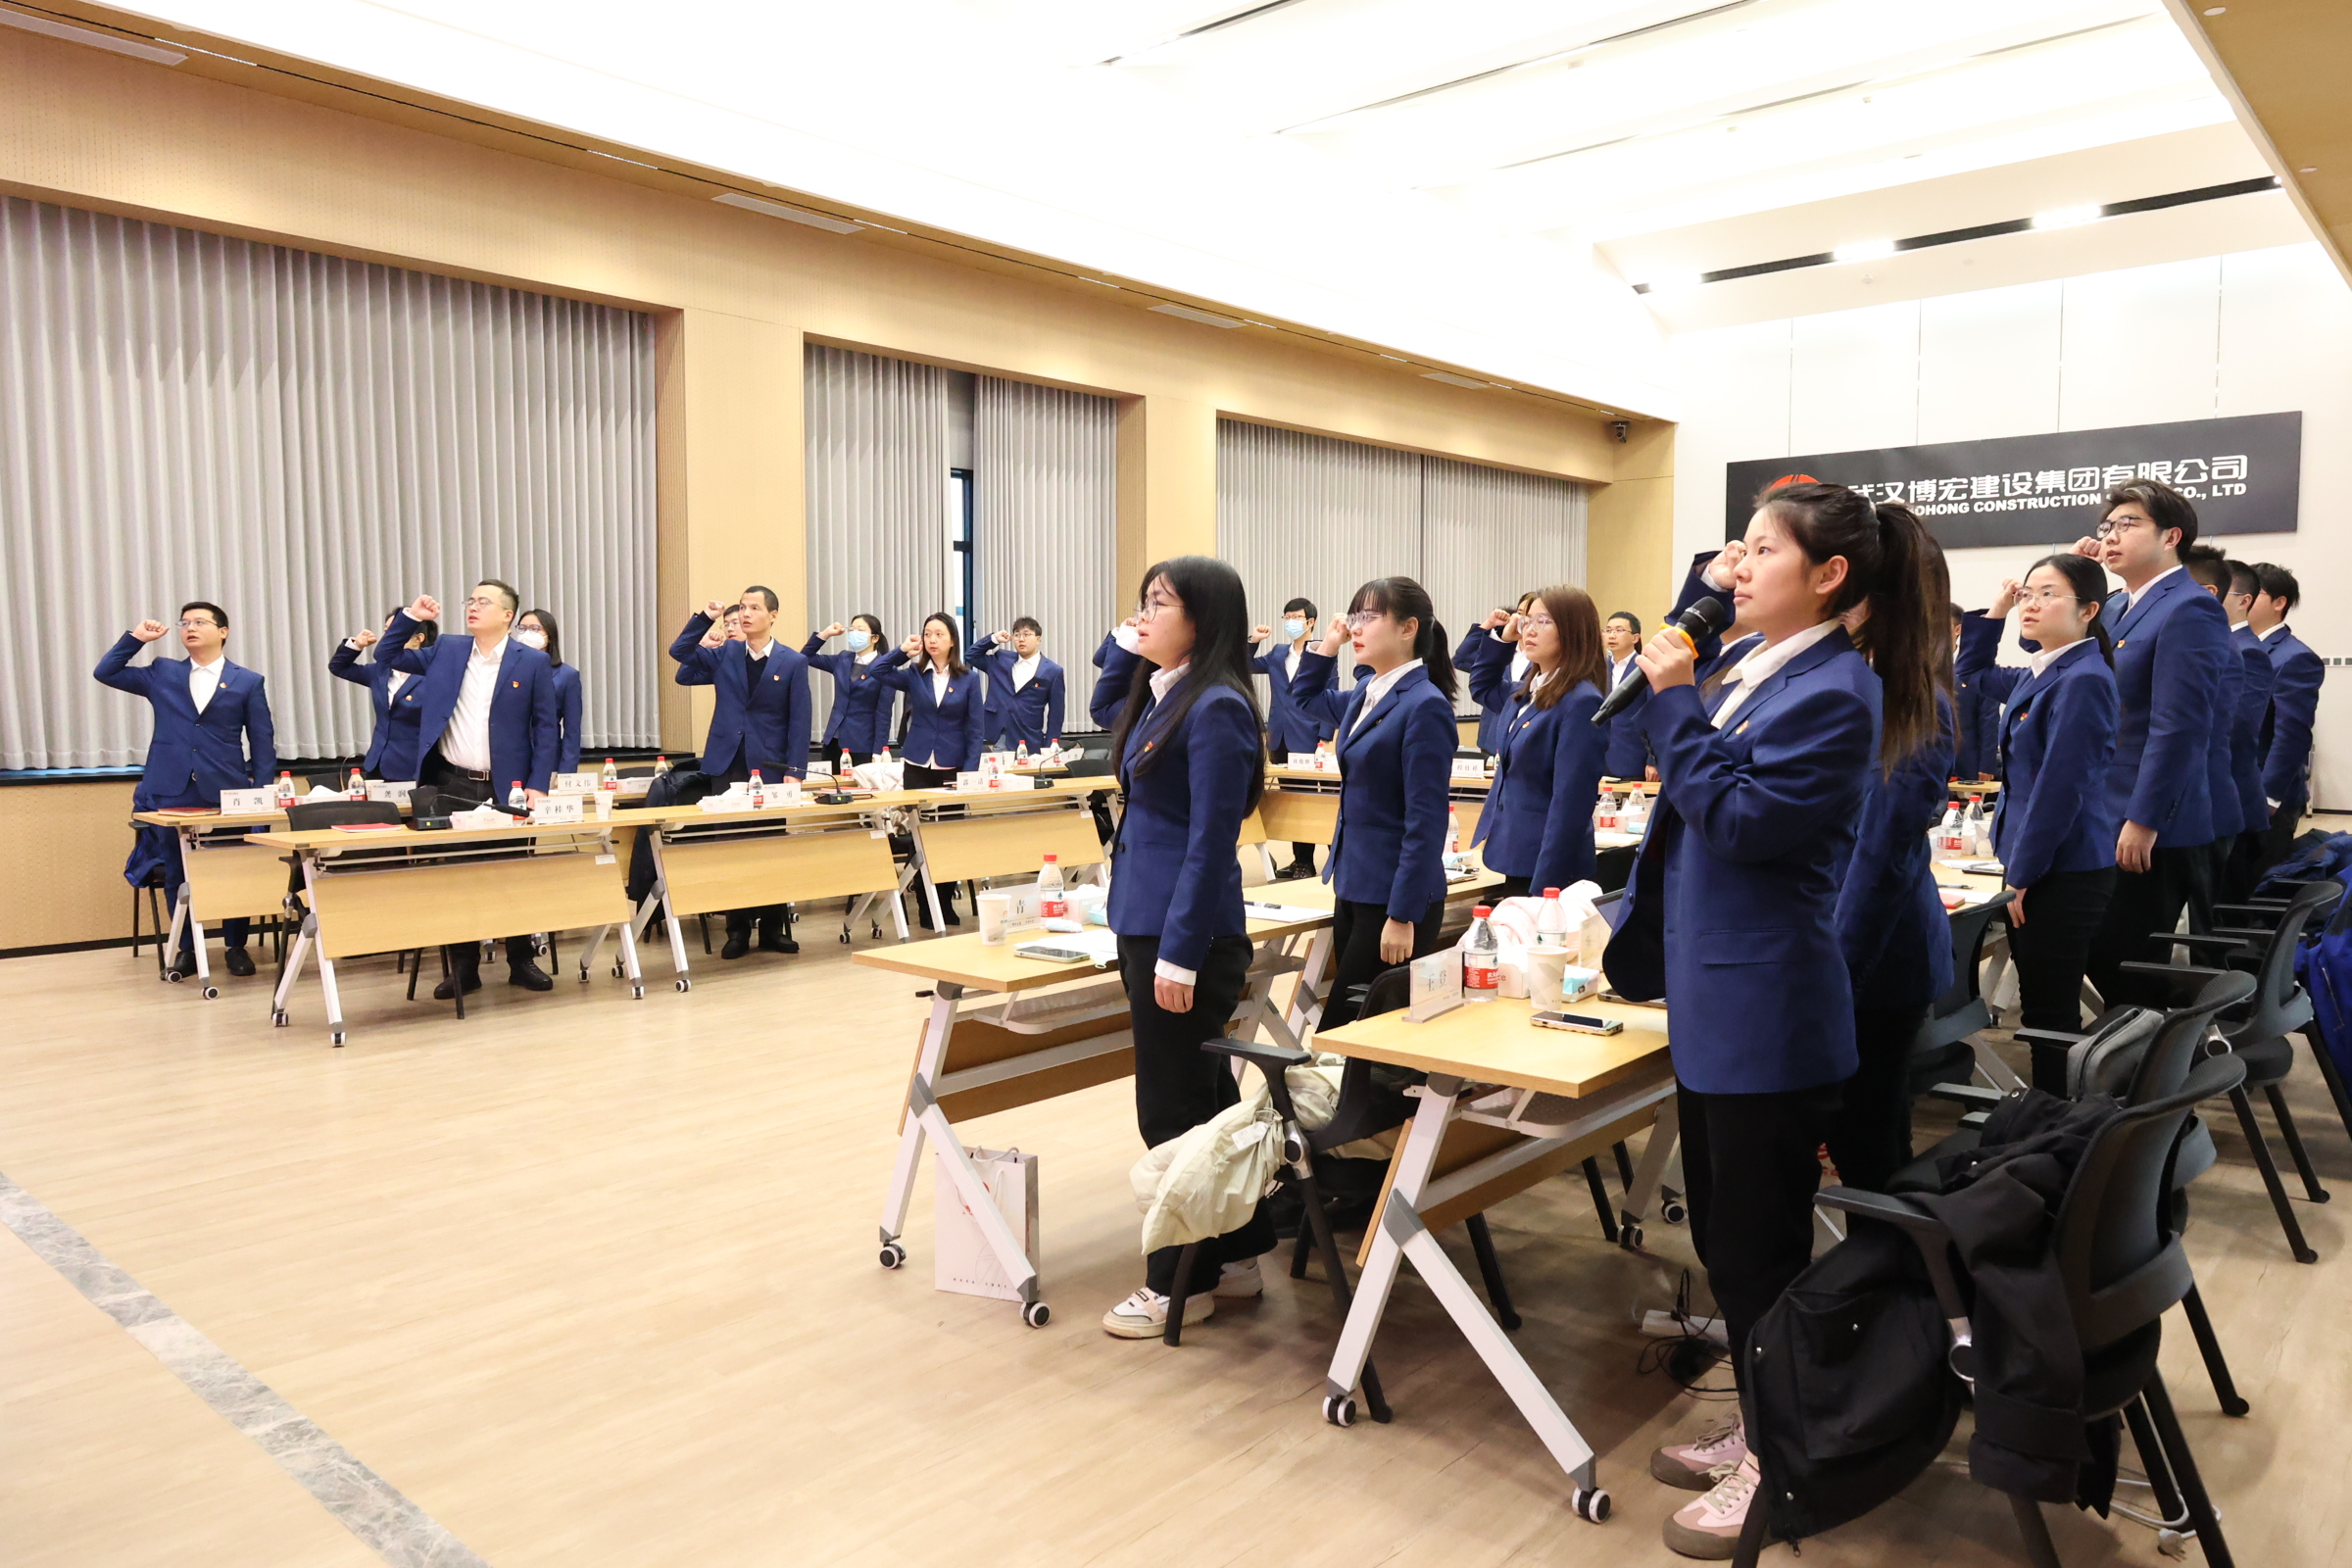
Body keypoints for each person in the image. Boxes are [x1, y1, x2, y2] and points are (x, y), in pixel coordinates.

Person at [1606, 481, 1939, 1556]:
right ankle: (1763, 1420)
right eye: (1737, 548)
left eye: (1760, 550)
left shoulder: (1836, 691)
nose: (1736, 567)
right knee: (1723, 1239)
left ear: (1830, 575)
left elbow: (1743, 822)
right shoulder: (1758, 665)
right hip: (1720, 1002)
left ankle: (1781, 1464)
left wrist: (1674, 701)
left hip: (1770, 1016)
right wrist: (1685, 667)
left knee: (1758, 1255)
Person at [1090, 557, 1272, 1338]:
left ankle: (1178, 1284)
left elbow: (1210, 839)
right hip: (1148, 917)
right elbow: (1107, 711)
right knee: (1206, 1102)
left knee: (1171, 1110)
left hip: (1182, 931)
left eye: (1159, 604)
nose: (1144, 615)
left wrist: (1179, 952)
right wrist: (1125, 647)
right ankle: (1237, 1257)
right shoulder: (1165, 692)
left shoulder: (1218, 706)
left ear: (1203, 620)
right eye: (1143, 601)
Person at [1824, 522, 1957, 1192]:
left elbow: (1879, 860)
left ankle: (1891, 1253)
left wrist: (1834, 982)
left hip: (1874, 959)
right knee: (1870, 1132)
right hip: (1859, 949)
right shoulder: (1862, 683)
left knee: (1867, 1140)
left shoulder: (1909, 701)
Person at [1959, 555, 2121, 1092]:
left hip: (2062, 869)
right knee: (2043, 1006)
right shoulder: (2046, 671)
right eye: (2026, 593)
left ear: (2088, 610)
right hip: (2039, 862)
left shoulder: (2083, 679)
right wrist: (1996, 611)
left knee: (2050, 1012)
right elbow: (1970, 676)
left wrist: (2023, 875)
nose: (2030, 603)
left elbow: (2059, 790)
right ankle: (2053, 1111)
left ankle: (2056, 1117)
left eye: (2047, 594)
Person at [2073, 481, 2230, 1008]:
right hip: (2103, 809)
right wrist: (2077, 577)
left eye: (2128, 524)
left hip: (2149, 821)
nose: (2112, 536)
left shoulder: (2189, 607)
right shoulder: (2116, 605)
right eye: (2107, 526)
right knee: (2100, 950)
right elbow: (2048, 646)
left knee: (2128, 962)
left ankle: (2158, 1055)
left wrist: (2145, 818)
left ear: (2171, 537)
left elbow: (2179, 725)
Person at [1288, 579, 1460, 1031]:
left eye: (1369, 617)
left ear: (1408, 628)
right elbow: (1304, 698)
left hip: (1393, 897)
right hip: (1355, 883)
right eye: (1354, 616)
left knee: (1350, 1028)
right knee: (1356, 1026)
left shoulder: (1424, 705)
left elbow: (1425, 821)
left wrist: (1403, 913)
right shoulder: (1368, 694)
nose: (1356, 627)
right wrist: (1328, 645)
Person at [379, 581, 561, 998]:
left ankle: (521, 960)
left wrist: (538, 784)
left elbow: (546, 728)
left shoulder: (531, 662)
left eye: (484, 602)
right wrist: (411, 618)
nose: (473, 607)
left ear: (507, 615)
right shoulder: (448, 649)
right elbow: (386, 655)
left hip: (509, 788)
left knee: (512, 875)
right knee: (457, 877)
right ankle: (463, 968)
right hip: (451, 782)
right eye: (471, 601)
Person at [97, 603, 276, 981]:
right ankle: (187, 949)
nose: (189, 628)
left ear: (223, 631)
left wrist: (261, 793)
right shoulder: (163, 672)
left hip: (226, 789)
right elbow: (106, 672)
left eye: (199, 622)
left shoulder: (247, 680)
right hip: (171, 788)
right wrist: (136, 638)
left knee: (233, 869)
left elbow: (262, 742)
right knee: (177, 870)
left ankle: (235, 946)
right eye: (185, 623)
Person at [669, 586, 813, 957]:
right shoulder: (726, 653)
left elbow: (800, 720)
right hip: (728, 760)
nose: (746, 614)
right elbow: (679, 651)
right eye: (743, 607)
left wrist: (796, 771)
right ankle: (737, 930)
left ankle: (773, 929)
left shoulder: (792, 661)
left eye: (754, 608)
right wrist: (705, 618)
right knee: (730, 845)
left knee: (770, 847)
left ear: (773, 615)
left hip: (772, 766)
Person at [1467, 586, 1610, 900]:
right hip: (1514, 850)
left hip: (1547, 865)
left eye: (1542, 621)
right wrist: (1503, 639)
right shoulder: (1528, 690)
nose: (1529, 630)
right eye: (1526, 620)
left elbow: (1570, 805)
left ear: (1572, 630)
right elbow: (1482, 686)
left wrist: (1546, 887)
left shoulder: (1581, 701)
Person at [875, 613, 987, 927]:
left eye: (939, 634)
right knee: (919, 835)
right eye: (927, 634)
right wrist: (901, 651)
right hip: (918, 764)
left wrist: (969, 774)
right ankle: (925, 903)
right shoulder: (914, 674)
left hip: (953, 766)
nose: (932, 639)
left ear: (952, 640)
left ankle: (945, 900)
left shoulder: (969, 679)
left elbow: (975, 730)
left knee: (949, 837)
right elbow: (877, 671)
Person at [1250, 597, 1342, 879]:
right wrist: (1253, 641)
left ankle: (1336, 860)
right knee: (1293, 802)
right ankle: (1302, 862)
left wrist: (1324, 738)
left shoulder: (1321, 654)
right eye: (1287, 617)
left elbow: (1331, 693)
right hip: (1280, 737)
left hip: (1310, 738)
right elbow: (1244, 665)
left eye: (1296, 617)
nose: (1290, 622)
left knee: (1318, 801)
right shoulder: (1278, 653)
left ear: (1310, 621)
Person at [2248, 563, 2324, 873]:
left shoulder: (2294, 657)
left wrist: (2269, 796)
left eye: (2254, 593)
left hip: (2266, 795)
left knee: (2254, 880)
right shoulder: (2237, 647)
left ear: (2279, 602)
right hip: (2232, 790)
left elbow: (2292, 735)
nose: (2243, 598)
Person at [2215, 562, 2276, 903]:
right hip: (2215, 799)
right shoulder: (2216, 645)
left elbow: (2237, 730)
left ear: (2243, 600)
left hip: (2232, 799)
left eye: (2216, 592)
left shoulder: (2247, 651)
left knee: (2222, 905)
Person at [328, 608, 437, 781]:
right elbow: (338, 667)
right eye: (387, 632)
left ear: (418, 639)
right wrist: (356, 645)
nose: (389, 637)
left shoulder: (433, 675)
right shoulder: (380, 671)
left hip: (413, 766)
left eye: (396, 632)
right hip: (377, 763)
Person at [804, 614, 897, 765]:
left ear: (875, 638)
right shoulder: (843, 659)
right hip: (833, 740)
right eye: (852, 630)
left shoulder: (886, 669)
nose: (854, 633)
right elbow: (806, 657)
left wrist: (878, 751)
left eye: (861, 630)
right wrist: (826, 634)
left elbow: (883, 715)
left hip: (862, 744)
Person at [1456, 591, 1540, 754]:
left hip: (1523, 742)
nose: (1523, 620)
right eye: (1520, 613)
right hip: (1491, 739)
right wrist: (1489, 624)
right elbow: (1462, 658)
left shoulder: (1540, 656)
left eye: (1531, 617)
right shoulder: (1499, 650)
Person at [972, 617, 1066, 754]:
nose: (1021, 639)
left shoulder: (1052, 671)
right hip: (995, 735)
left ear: (1038, 639)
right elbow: (971, 656)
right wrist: (994, 639)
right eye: (1017, 635)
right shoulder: (1001, 660)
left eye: (1026, 634)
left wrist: (1050, 746)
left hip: (1029, 737)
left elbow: (1056, 714)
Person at [515, 609, 582, 774]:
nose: (527, 634)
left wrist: (566, 773)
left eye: (535, 629)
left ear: (549, 636)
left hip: (548, 760)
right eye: (522, 628)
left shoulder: (567, 676)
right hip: (511, 758)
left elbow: (572, 732)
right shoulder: (509, 670)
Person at [1599, 610, 1652, 783]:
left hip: (1633, 759)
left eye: (1619, 630)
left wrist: (1653, 761)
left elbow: (1656, 717)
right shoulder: (1598, 669)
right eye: (1608, 630)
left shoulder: (1646, 669)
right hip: (1600, 760)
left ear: (1635, 638)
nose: (1612, 635)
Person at [1949, 603, 1998, 783]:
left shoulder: (1975, 667)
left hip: (1966, 764)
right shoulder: (1922, 668)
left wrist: (1987, 764)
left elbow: (1989, 718)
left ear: (1958, 629)